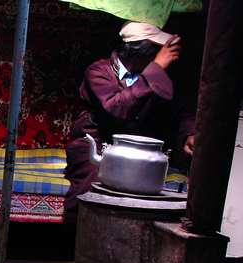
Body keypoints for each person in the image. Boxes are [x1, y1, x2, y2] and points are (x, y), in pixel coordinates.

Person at [63, 22, 195, 213]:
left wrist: (189, 134)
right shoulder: (98, 71)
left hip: (138, 150)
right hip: (100, 146)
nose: (161, 55)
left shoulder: (160, 75)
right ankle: (78, 237)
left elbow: (181, 110)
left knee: (153, 196)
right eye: (156, 49)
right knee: (90, 190)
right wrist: (156, 67)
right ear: (138, 50)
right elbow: (116, 108)